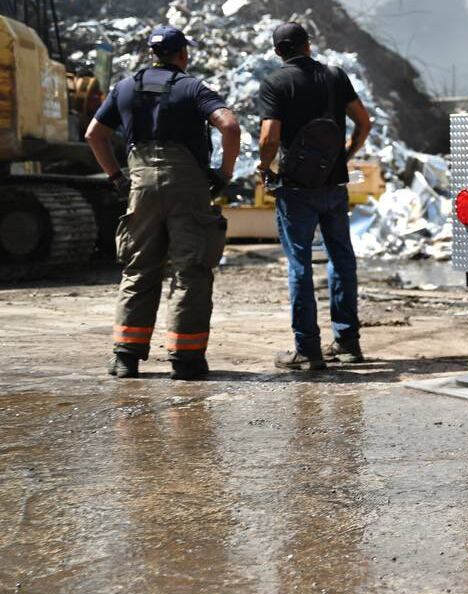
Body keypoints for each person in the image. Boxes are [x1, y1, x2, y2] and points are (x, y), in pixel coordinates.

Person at [85, 25, 241, 380]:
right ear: (182, 54)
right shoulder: (192, 87)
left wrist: (115, 177)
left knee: (138, 269)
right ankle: (186, 361)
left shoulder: (125, 88)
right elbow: (229, 126)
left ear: (151, 54)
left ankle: (126, 357)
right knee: (191, 270)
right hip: (188, 188)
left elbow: (94, 134)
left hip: (141, 186)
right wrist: (225, 173)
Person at [256, 22, 372, 370]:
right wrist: (345, 156)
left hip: (295, 189)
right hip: (334, 185)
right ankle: (348, 343)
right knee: (342, 258)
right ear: (309, 44)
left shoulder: (275, 83)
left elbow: (269, 138)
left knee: (300, 264)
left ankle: (308, 349)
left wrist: (265, 168)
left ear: (279, 51)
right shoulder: (336, 76)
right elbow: (363, 122)